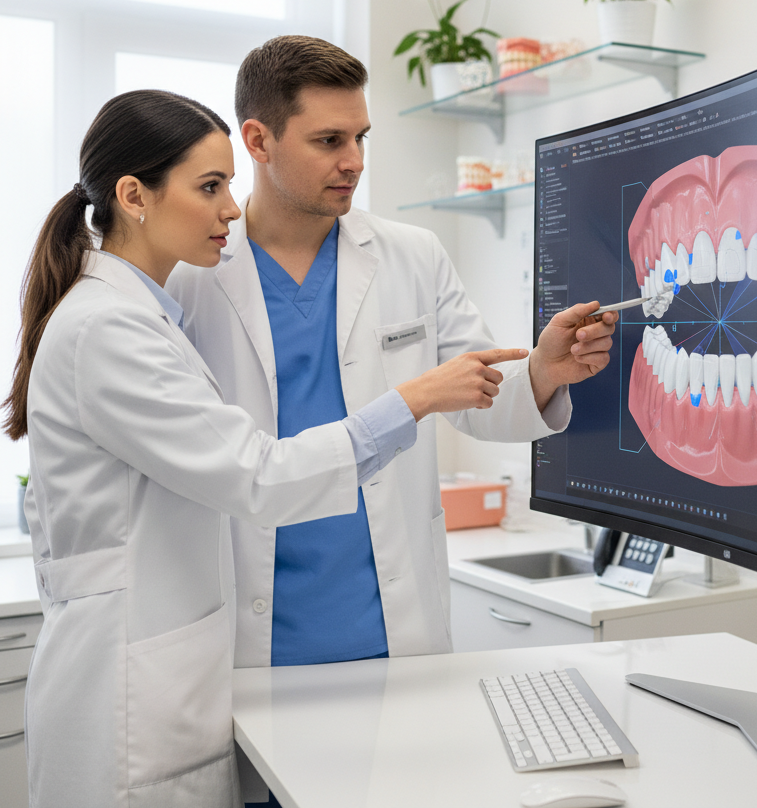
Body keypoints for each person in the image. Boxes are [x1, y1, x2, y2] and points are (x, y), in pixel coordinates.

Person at [3, 90, 531, 808]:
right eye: (209, 187)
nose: (229, 208)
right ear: (133, 196)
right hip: (131, 701)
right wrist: (412, 399)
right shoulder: (110, 328)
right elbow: (257, 475)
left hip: (175, 676)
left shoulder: (136, 314)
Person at [165, 37, 616, 794]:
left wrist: (543, 371)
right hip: (255, 642)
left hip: (389, 636)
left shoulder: (412, 255)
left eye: (361, 137)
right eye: (328, 141)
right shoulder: (192, 275)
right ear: (258, 141)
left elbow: (476, 397)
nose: (354, 161)